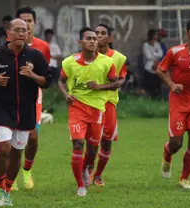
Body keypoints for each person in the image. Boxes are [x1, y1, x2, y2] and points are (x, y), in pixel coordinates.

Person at [0, 18, 51, 206]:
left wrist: (33, 75)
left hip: (26, 111)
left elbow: (47, 80)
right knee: (4, 147)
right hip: (1, 109)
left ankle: (7, 189)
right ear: (8, 33)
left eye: (25, 30)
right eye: (17, 30)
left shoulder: (35, 56)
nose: (21, 33)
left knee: (16, 153)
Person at [58, 27, 118, 196]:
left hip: (97, 110)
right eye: (88, 38)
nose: (93, 41)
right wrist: (66, 94)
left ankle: (86, 168)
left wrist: (100, 87)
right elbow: (61, 81)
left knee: (92, 151)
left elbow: (116, 83)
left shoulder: (106, 62)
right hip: (77, 108)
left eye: (94, 38)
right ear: (80, 42)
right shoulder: (69, 62)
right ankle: (80, 186)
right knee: (78, 144)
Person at [157, 19, 190, 190]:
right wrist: (171, 84)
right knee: (176, 144)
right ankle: (167, 154)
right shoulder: (175, 51)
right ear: (188, 33)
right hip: (178, 103)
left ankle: (184, 179)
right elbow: (160, 70)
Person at [83, 24, 127, 186]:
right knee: (91, 141)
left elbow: (121, 79)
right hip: (89, 103)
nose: (99, 36)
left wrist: (106, 85)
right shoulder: (86, 57)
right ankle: (87, 170)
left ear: (109, 38)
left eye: (103, 33)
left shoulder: (118, 58)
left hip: (109, 103)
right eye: (96, 33)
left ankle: (98, 175)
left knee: (106, 141)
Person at [14, 6, 51, 190]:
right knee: (11, 139)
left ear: (34, 24)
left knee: (33, 138)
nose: (26, 25)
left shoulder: (43, 47)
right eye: (23, 21)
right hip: (10, 98)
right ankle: (8, 176)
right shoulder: (7, 46)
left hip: (33, 97)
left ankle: (27, 170)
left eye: (29, 21)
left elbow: (46, 74)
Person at [142, 29, 163, 99]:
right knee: (149, 86)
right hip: (148, 68)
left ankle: (157, 98)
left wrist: (153, 54)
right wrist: (156, 55)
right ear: (152, 35)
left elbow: (161, 54)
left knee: (157, 85)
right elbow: (148, 56)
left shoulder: (157, 44)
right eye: (156, 35)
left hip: (156, 67)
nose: (157, 36)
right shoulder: (146, 45)